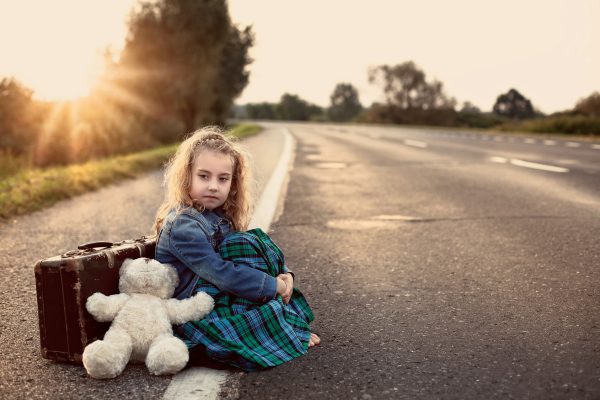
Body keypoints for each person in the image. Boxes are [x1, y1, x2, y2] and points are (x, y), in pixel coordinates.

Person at [153, 126, 320, 371]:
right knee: (243, 250)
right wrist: (274, 286)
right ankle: (269, 325)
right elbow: (222, 272)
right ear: (186, 176)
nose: (213, 186)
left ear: (233, 184)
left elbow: (252, 257)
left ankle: (276, 320)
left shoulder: (217, 215)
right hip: (190, 306)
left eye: (223, 179)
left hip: (214, 292)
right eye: (204, 176)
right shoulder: (183, 224)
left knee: (252, 241)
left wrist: (285, 274)